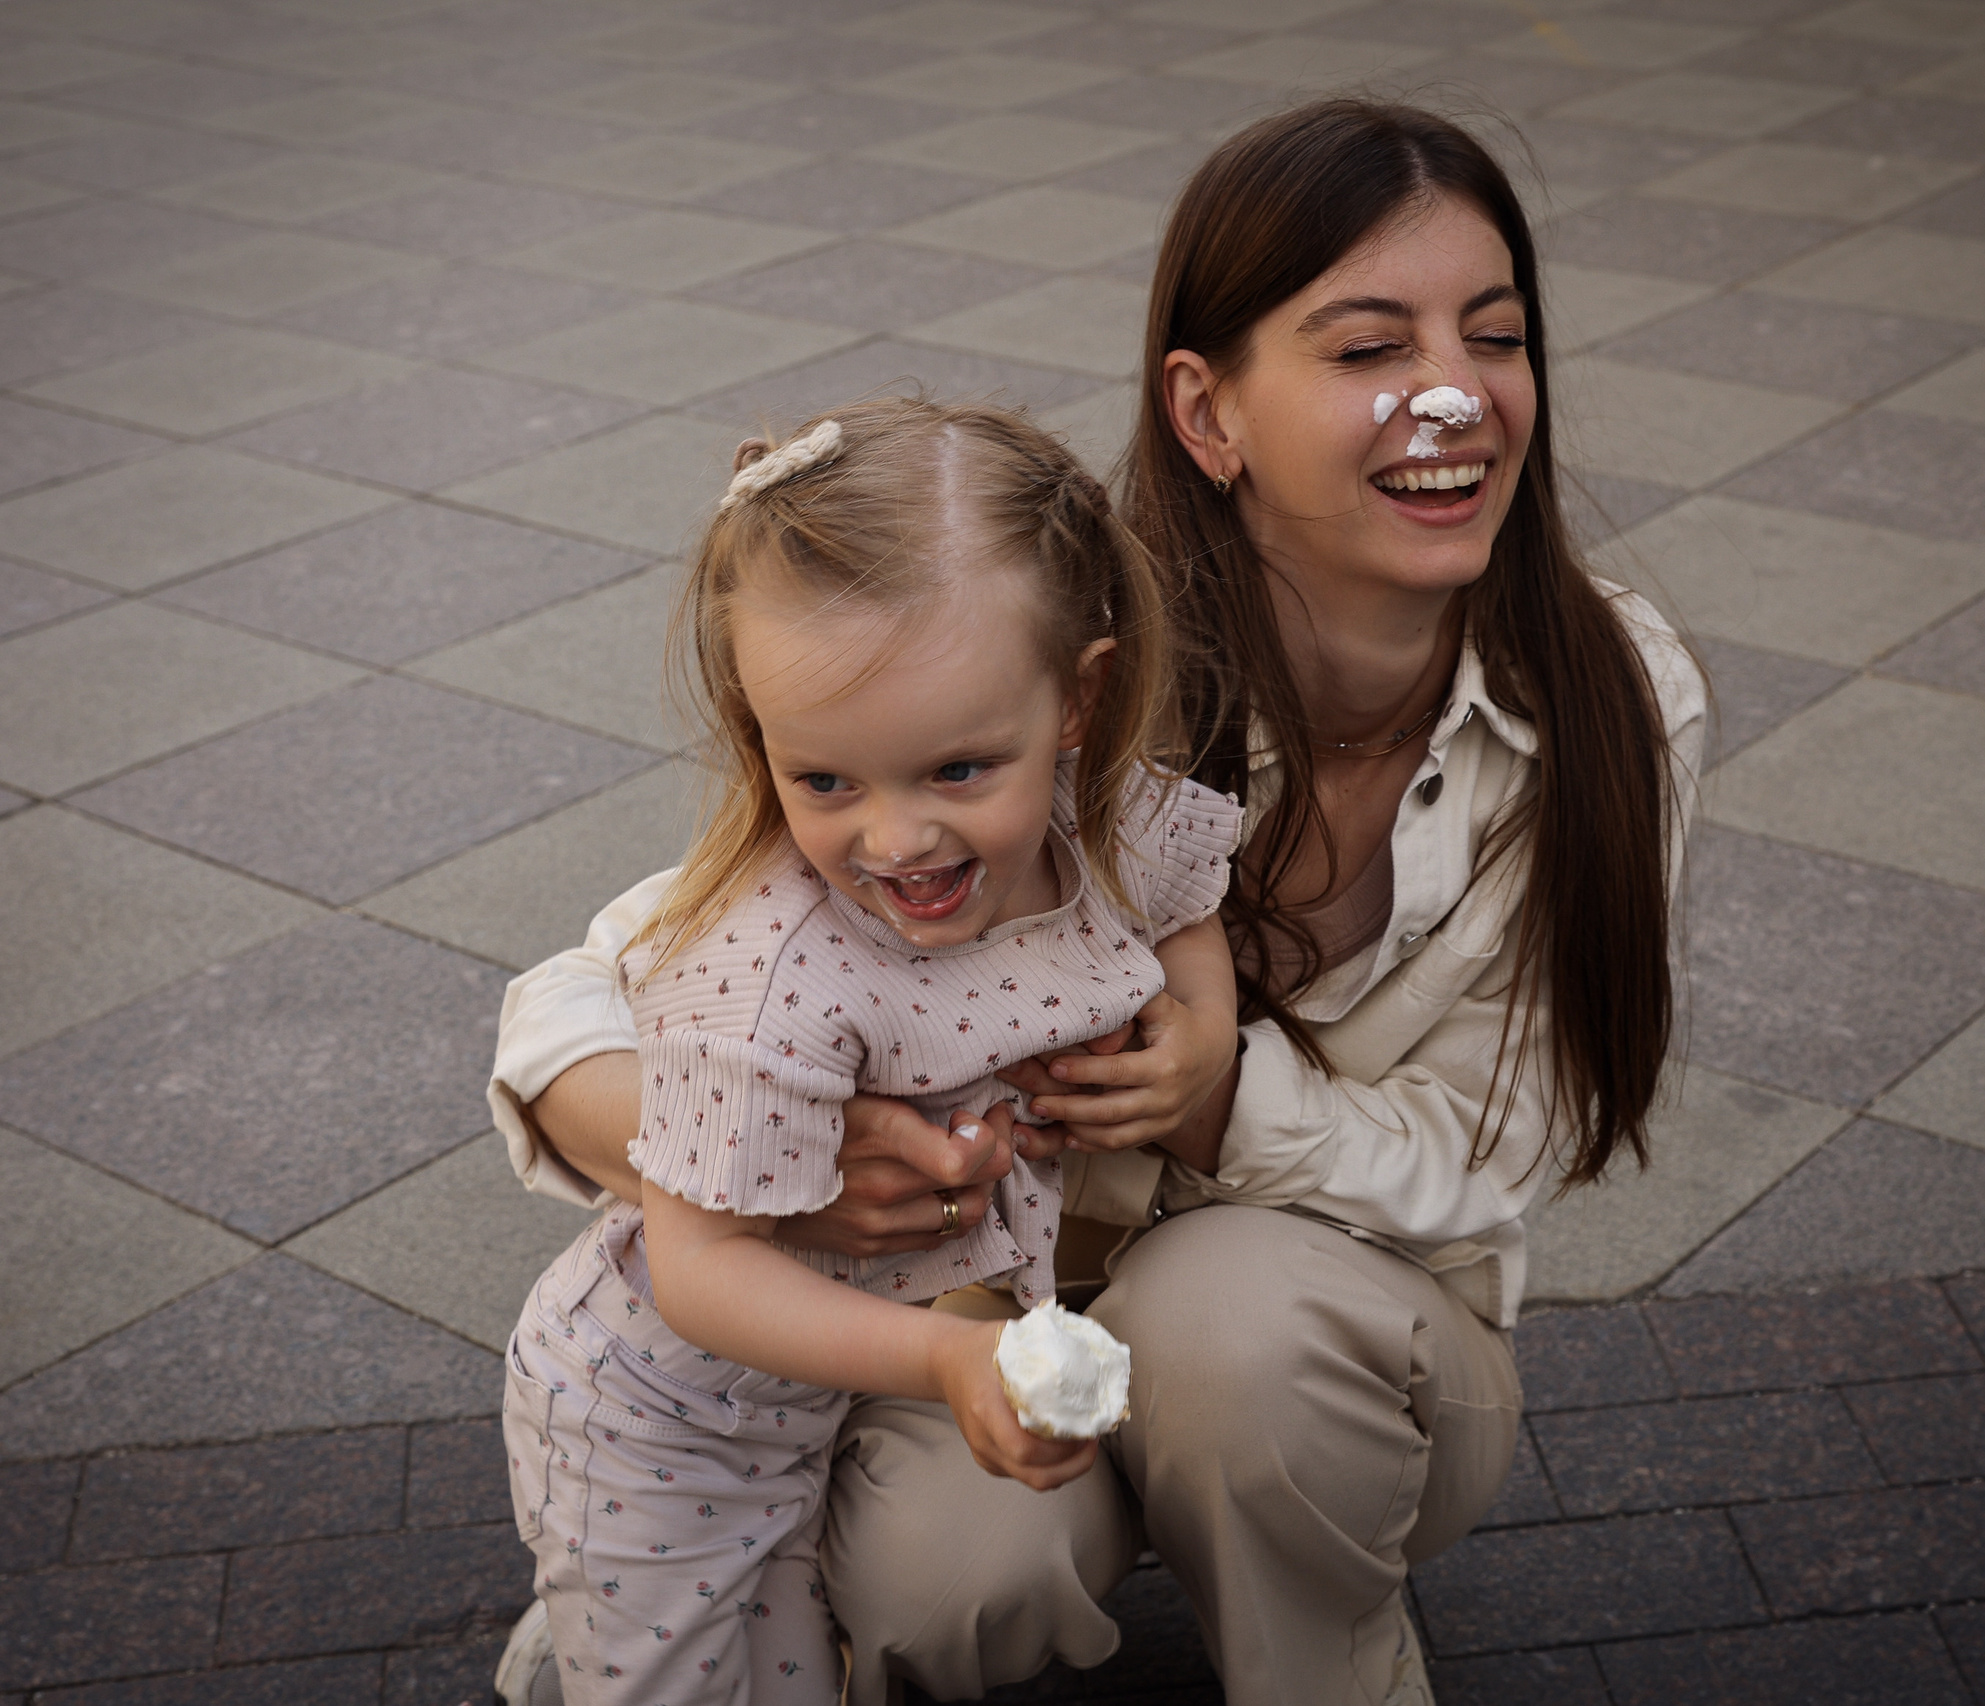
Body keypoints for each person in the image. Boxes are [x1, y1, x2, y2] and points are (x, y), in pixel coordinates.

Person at [492, 99, 1706, 1706]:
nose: (1452, 392)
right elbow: (612, 975)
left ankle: (1333, 1660)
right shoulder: (1054, 656)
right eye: (1365, 346)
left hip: (1350, 1348)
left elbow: (1501, 1151)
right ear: (1207, 412)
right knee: (946, 1576)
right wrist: (754, 1154)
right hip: (1007, 1323)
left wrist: (1218, 1094)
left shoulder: (1620, 698)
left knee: (1234, 1318)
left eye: (1496, 334)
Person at [496, 396, 1245, 1704]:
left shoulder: (1104, 819)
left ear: (1080, 697)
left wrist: (1201, 1029)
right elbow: (701, 1268)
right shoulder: (780, 969)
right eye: (827, 779)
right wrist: (951, 1360)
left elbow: (1186, 904)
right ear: (761, 733)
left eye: (958, 768)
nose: (896, 841)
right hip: (666, 1425)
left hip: (821, 1404)